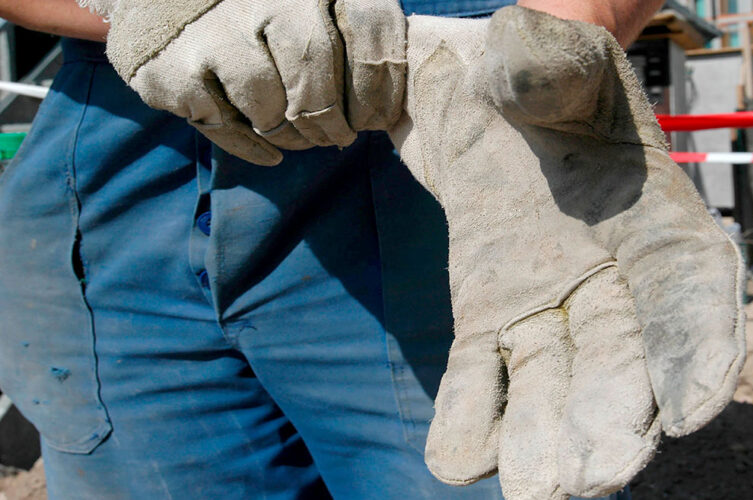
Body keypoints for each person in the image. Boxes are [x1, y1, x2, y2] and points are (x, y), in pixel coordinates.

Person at [0, 0, 711, 499]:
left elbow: (568, 27)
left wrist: (564, 41)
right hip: (126, 119)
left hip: (445, 111)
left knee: (502, 457)